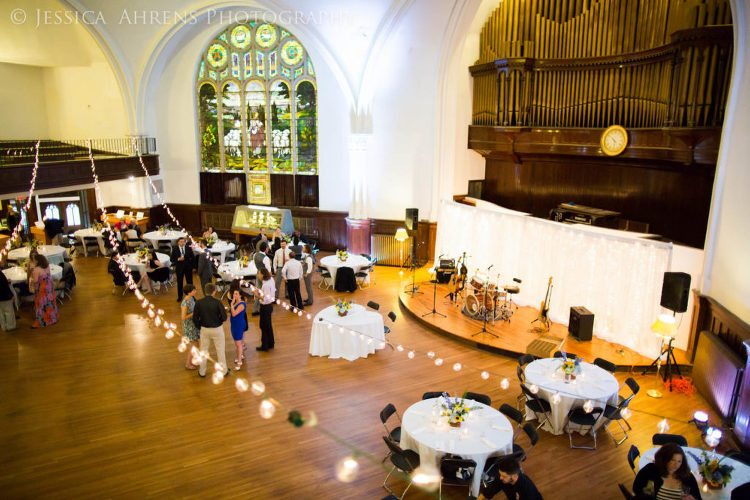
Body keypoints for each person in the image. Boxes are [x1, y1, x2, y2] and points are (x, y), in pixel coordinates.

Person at [633, 442, 701, 500]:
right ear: (664, 459)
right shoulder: (650, 469)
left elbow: (698, 498)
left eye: (679, 461)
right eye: (672, 460)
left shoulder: (688, 477)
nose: (676, 465)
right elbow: (636, 488)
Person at [192, 283, 228, 378]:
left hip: (204, 329)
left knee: (203, 350)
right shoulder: (218, 302)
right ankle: (224, 371)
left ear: (205, 291)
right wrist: (219, 321)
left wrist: (200, 326)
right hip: (217, 329)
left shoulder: (199, 303)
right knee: (220, 351)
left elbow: (195, 318)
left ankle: (202, 371)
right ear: (214, 292)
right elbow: (224, 317)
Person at [478, 457, 543, 500]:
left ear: (514, 476)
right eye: (500, 474)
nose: (500, 478)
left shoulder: (527, 490)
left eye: (504, 476)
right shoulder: (504, 479)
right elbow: (491, 489)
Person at [28, 254, 58, 328]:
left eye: (34, 260)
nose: (34, 261)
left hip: (42, 288)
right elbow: (49, 275)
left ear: (38, 261)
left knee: (41, 304)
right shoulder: (47, 266)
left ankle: (42, 321)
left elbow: (35, 281)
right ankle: (52, 318)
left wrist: (31, 275)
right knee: (50, 302)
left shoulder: (36, 269)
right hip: (49, 286)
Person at [256, 267, 275, 351]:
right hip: (269, 306)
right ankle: (271, 343)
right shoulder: (271, 280)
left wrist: (257, 295)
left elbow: (265, 298)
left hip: (265, 307)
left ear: (263, 274)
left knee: (263, 326)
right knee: (268, 326)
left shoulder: (265, 284)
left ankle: (265, 345)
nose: (258, 275)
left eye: (259, 273)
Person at [181, 284, 200, 370]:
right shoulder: (185, 303)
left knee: (196, 344)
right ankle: (188, 363)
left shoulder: (191, 298)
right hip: (189, 326)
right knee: (195, 345)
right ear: (189, 292)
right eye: (193, 290)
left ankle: (193, 360)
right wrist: (194, 313)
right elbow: (183, 317)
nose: (195, 291)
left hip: (193, 324)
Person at [170, 237, 194, 302]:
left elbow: (192, 257)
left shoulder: (188, 248)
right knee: (180, 283)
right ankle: (180, 296)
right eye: (181, 241)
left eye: (183, 241)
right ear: (178, 242)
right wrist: (178, 259)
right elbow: (171, 259)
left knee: (190, 282)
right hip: (179, 268)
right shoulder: (175, 249)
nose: (182, 243)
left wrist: (191, 265)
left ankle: (192, 296)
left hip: (188, 268)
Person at [252, 241, 272, 315]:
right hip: (264, 277)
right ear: (266, 249)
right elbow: (269, 271)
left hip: (258, 274)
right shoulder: (266, 258)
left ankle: (255, 309)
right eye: (267, 248)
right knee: (266, 292)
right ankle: (265, 307)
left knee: (258, 292)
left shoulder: (255, 255)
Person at [229, 289, 247, 370]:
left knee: (238, 344)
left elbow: (234, 313)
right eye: (234, 293)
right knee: (239, 342)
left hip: (238, 325)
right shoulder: (237, 302)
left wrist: (232, 304)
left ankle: (239, 362)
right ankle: (240, 356)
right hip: (235, 324)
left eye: (236, 294)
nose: (234, 295)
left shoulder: (241, 304)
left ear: (240, 295)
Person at [0, 264, 16, 331]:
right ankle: (10, 326)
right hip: (5, 296)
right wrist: (11, 295)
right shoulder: (0, 275)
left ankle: (4, 326)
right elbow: (5, 286)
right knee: (8, 311)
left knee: (1, 313)